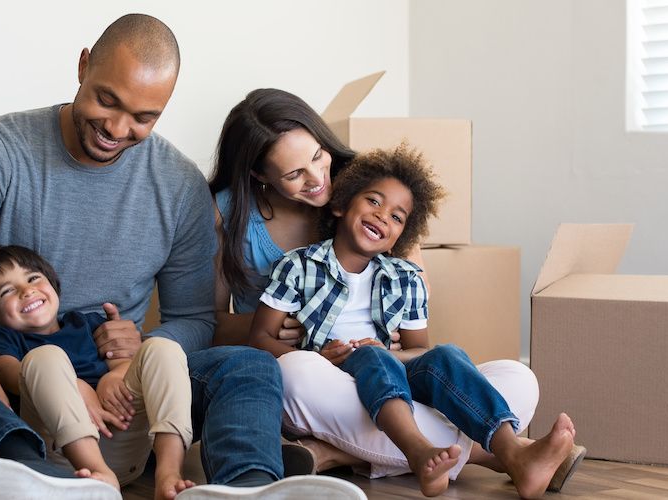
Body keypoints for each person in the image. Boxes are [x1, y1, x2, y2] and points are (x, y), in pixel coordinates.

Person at [0, 14, 364, 500]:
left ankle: (246, 487)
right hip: (10, 373)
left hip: (125, 398)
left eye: (144, 118)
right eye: (107, 100)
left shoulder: (180, 186)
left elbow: (191, 317)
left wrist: (138, 352)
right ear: (83, 67)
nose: (118, 128)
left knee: (250, 366)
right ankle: (26, 466)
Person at [208, 88, 585, 492]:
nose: (320, 180)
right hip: (313, 376)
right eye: (294, 174)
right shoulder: (260, 236)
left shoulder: (375, 190)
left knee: (518, 378)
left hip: (391, 373)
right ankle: (496, 455)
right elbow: (211, 325)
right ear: (260, 175)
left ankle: (332, 453)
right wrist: (295, 335)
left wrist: (389, 353)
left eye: (318, 156)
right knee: (298, 372)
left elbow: (418, 344)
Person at [0, 245, 194, 499]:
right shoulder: (5, 341)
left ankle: (168, 473)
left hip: (123, 434)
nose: (27, 290)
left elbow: (122, 361)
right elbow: (12, 376)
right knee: (44, 358)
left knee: (162, 347)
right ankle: (99, 475)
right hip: (67, 456)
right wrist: (76, 386)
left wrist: (114, 375)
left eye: (33, 277)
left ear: (53, 284)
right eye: (8, 291)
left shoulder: (86, 323)